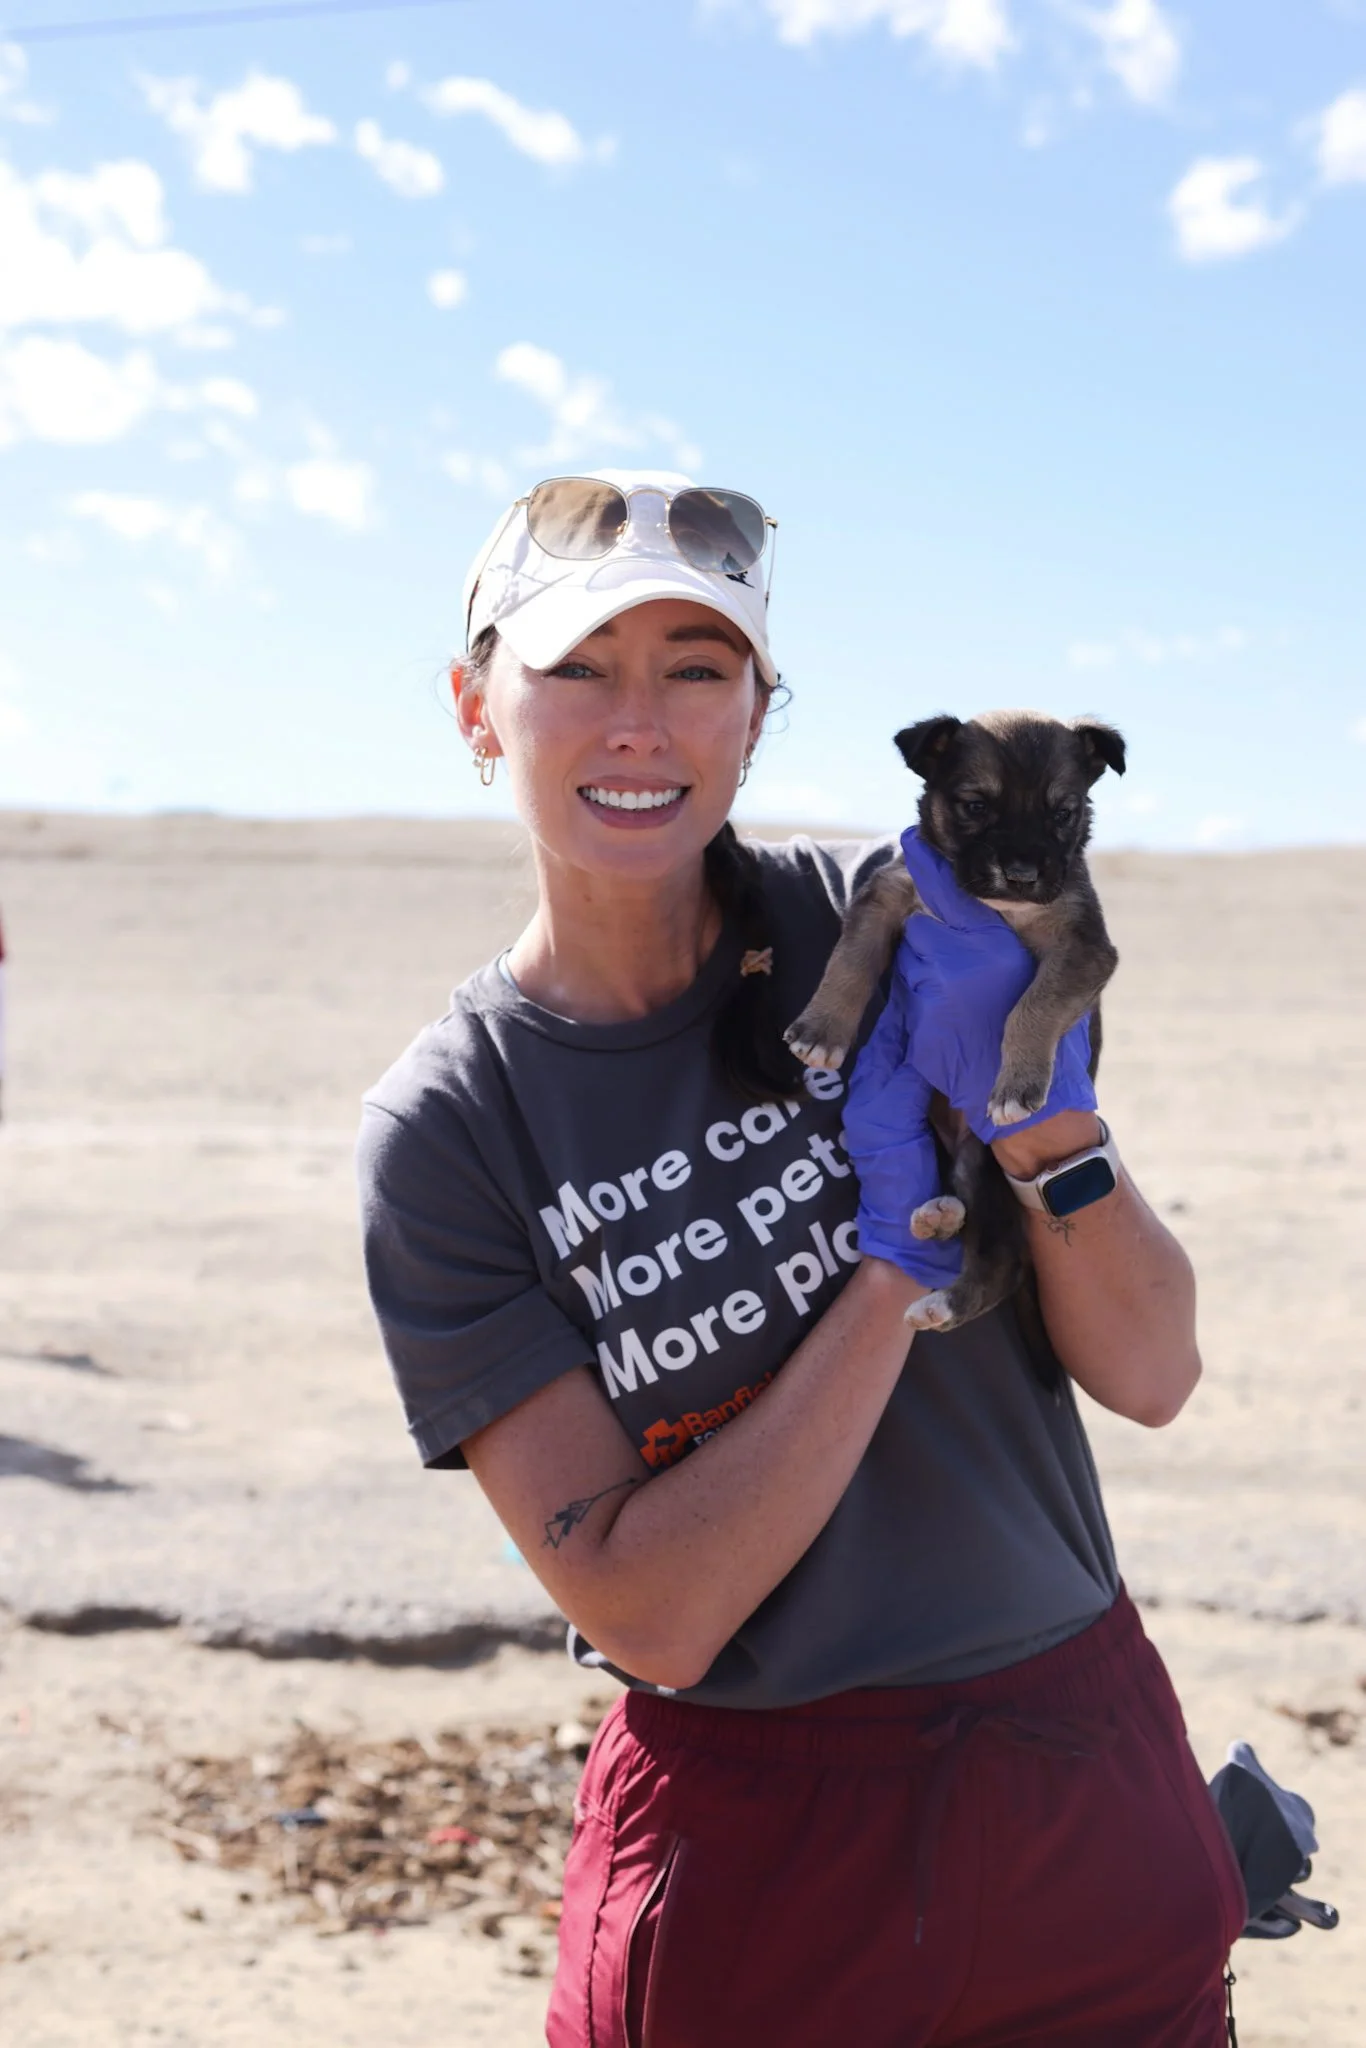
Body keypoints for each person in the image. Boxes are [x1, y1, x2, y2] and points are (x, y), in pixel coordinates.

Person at [356, 469, 1245, 2048]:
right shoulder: (456, 1128)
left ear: (758, 714)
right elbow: (654, 1614)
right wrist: (899, 1267)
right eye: (574, 668)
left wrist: (1043, 1137)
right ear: (475, 705)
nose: (639, 722)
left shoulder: (893, 918)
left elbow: (1154, 1371)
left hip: (1077, 1764)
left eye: (697, 670)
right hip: (762, 1851)